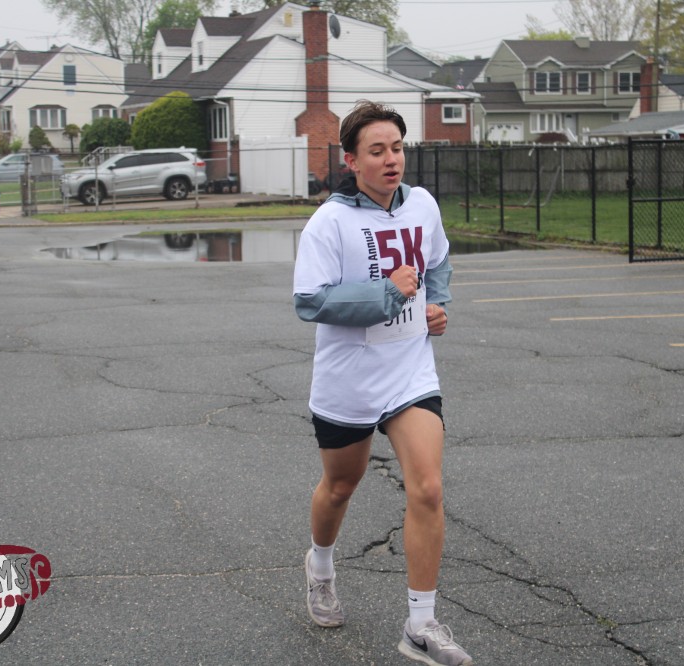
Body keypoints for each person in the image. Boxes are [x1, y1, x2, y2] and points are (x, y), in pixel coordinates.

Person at [293, 101, 471, 666]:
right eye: (377, 151)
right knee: (340, 486)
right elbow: (310, 300)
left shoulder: (422, 205)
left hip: (409, 371)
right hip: (348, 378)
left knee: (428, 488)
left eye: (397, 147)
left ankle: (421, 625)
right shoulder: (330, 222)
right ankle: (321, 566)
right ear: (351, 160)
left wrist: (436, 304)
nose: (391, 159)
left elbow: (437, 263)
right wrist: (389, 293)